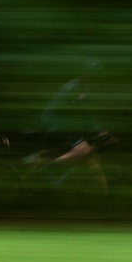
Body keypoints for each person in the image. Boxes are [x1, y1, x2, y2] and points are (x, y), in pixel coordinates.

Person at [33, 59, 112, 193]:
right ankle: (48, 169)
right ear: (86, 73)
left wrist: (99, 130)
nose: (94, 78)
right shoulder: (75, 87)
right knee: (83, 149)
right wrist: (98, 131)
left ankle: (104, 193)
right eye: (93, 74)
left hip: (61, 122)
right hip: (53, 121)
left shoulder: (84, 87)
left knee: (87, 151)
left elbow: (86, 114)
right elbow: (84, 111)